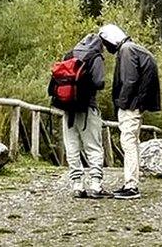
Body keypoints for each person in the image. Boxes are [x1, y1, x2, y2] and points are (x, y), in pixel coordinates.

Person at [98, 24, 161, 200]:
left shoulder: (126, 50)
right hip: (137, 104)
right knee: (133, 142)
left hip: (131, 106)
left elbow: (129, 80)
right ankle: (131, 183)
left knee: (128, 142)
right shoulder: (134, 48)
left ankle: (131, 185)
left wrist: (122, 104)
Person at [48, 33, 109, 199]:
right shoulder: (96, 57)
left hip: (67, 108)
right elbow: (99, 82)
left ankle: (77, 185)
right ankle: (96, 184)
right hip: (87, 107)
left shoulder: (69, 54)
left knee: (72, 146)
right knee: (94, 146)